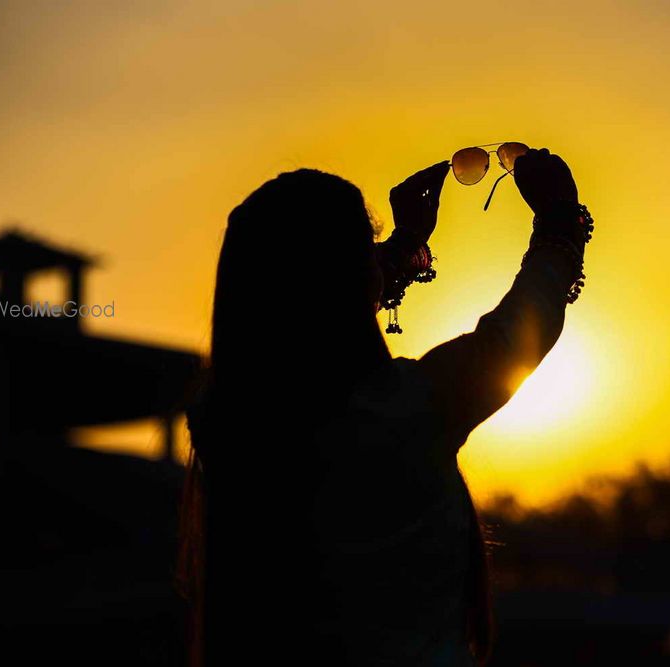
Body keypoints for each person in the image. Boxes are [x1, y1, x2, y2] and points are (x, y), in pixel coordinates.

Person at [175, 148, 594, 666]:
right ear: (356, 275)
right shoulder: (408, 412)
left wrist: (399, 250)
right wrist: (557, 222)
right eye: (366, 246)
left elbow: (312, 316)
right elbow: (514, 339)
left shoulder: (235, 429)